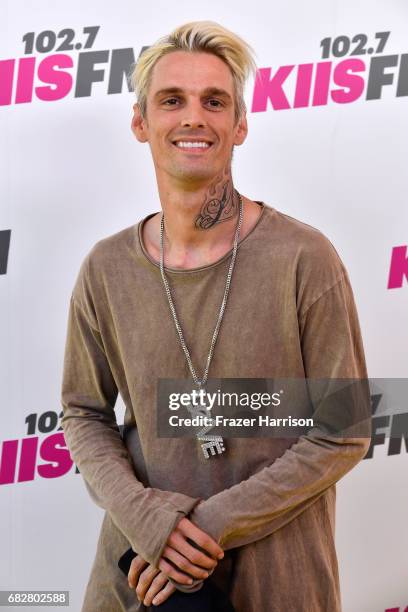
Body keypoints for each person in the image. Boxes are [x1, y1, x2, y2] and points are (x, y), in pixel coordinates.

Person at [60, 20, 371, 612]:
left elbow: (344, 428)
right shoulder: (105, 269)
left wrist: (202, 529)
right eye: (172, 100)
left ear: (241, 124)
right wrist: (148, 520)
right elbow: (83, 412)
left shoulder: (305, 259)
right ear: (140, 122)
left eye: (215, 101)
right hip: (138, 580)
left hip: (276, 583)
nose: (194, 118)